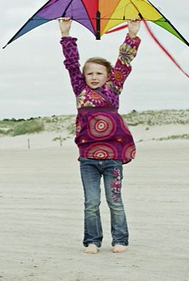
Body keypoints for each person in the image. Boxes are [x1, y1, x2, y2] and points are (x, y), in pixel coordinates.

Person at [58, 17, 141, 254]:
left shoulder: (113, 89)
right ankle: (92, 241)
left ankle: (120, 240)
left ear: (107, 76)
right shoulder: (80, 89)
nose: (94, 77)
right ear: (84, 77)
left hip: (113, 156)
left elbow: (124, 62)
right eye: (90, 74)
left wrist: (132, 35)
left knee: (115, 201)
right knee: (91, 203)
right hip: (88, 159)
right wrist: (66, 33)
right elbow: (72, 63)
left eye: (99, 73)